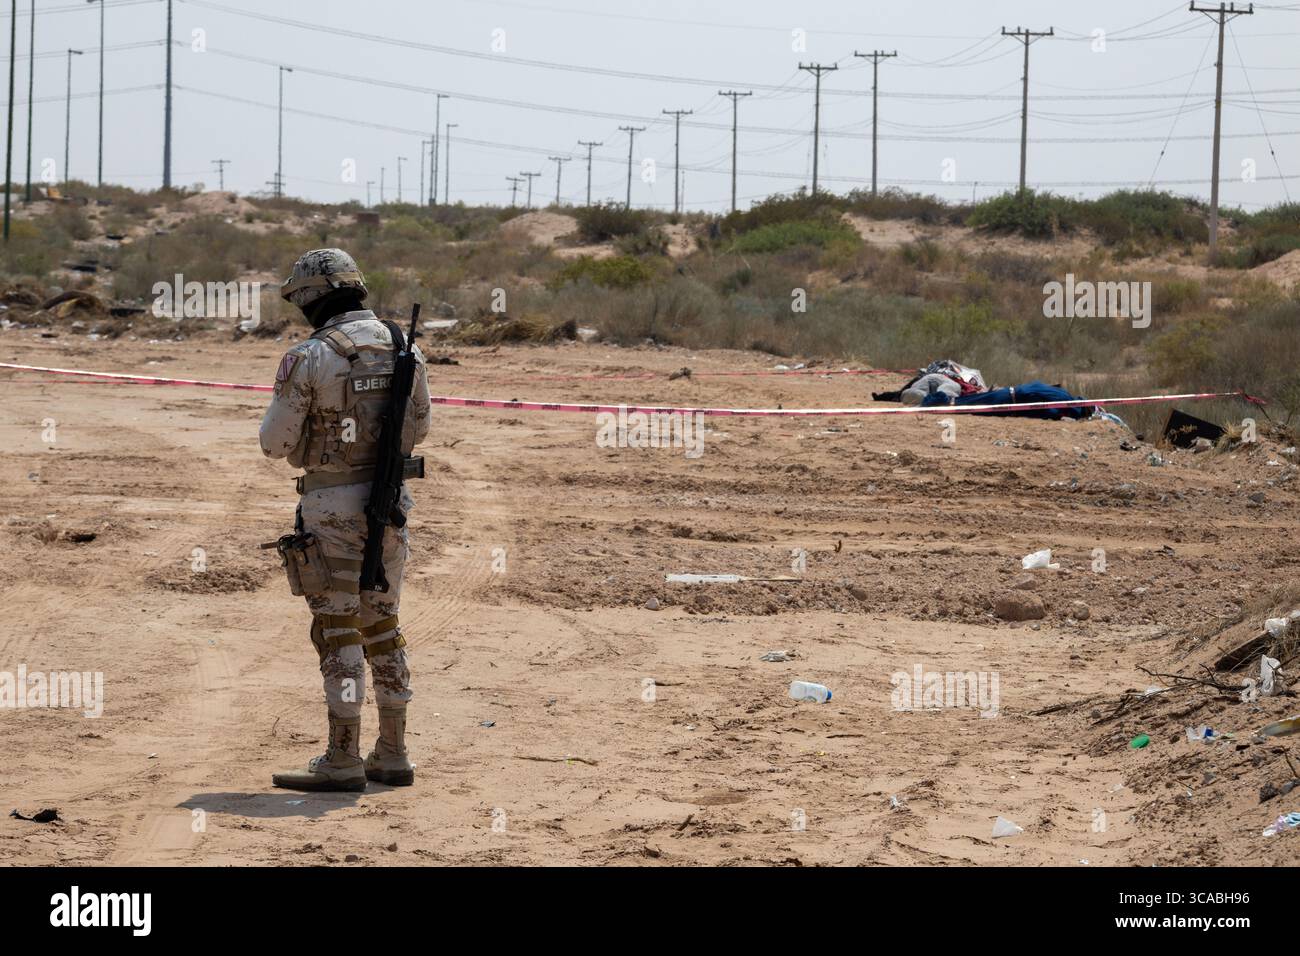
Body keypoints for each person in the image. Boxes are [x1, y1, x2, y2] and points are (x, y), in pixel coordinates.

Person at [259, 248, 431, 792]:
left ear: (313, 296)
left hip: (331, 505)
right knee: (382, 624)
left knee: (338, 631)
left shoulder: (309, 356)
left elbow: (275, 443)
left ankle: (342, 758)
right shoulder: (407, 348)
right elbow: (418, 430)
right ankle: (393, 754)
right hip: (391, 505)